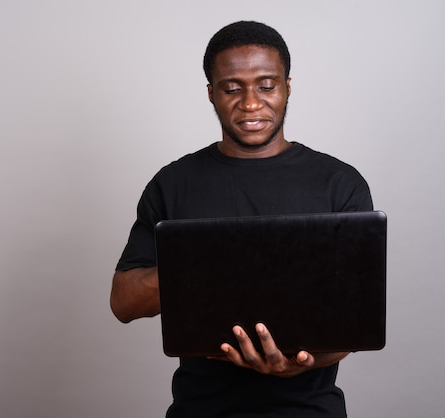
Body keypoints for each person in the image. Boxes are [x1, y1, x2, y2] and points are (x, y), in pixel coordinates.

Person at [109, 21, 373, 417]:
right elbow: (124, 301)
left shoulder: (339, 183)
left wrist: (298, 364)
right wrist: (214, 269)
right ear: (212, 93)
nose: (251, 103)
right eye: (232, 88)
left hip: (309, 410)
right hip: (201, 410)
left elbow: (357, 320)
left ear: (287, 86)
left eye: (267, 85)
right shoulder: (173, 183)